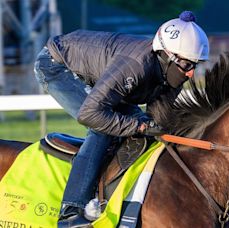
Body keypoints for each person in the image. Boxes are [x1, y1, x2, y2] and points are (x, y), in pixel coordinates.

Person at [34, 11, 209, 227]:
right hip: (57, 65)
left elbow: (158, 122)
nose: (191, 73)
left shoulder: (172, 73)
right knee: (105, 127)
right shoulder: (136, 66)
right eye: (187, 65)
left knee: (141, 129)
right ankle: (71, 212)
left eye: (195, 64)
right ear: (166, 56)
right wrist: (140, 125)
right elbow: (90, 114)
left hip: (98, 74)